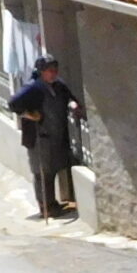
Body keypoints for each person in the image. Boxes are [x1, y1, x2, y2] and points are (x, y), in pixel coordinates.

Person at [6, 55, 81, 219]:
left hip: (56, 137)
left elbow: (70, 98)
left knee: (53, 170)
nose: (53, 73)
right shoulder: (33, 88)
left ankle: (53, 204)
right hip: (40, 138)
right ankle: (45, 207)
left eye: (55, 70)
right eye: (49, 70)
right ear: (41, 72)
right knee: (42, 173)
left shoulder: (59, 86)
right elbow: (12, 103)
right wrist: (28, 114)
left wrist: (72, 104)